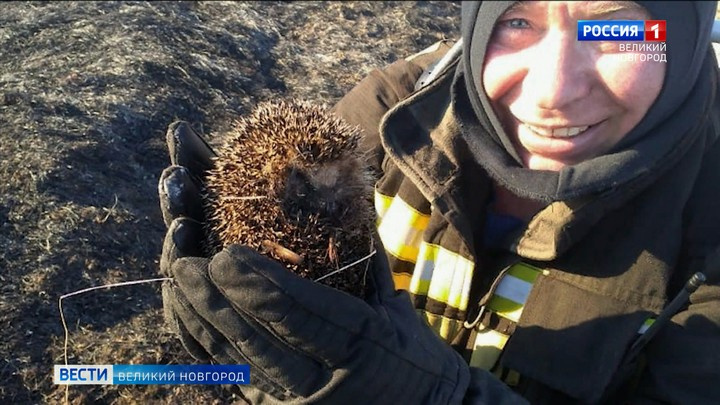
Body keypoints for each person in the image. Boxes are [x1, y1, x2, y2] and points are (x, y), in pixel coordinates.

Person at [157, 1, 720, 403]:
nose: (552, 92)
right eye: (516, 21)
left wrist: (432, 395)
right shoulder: (396, 107)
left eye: (615, 26)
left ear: (686, 33)